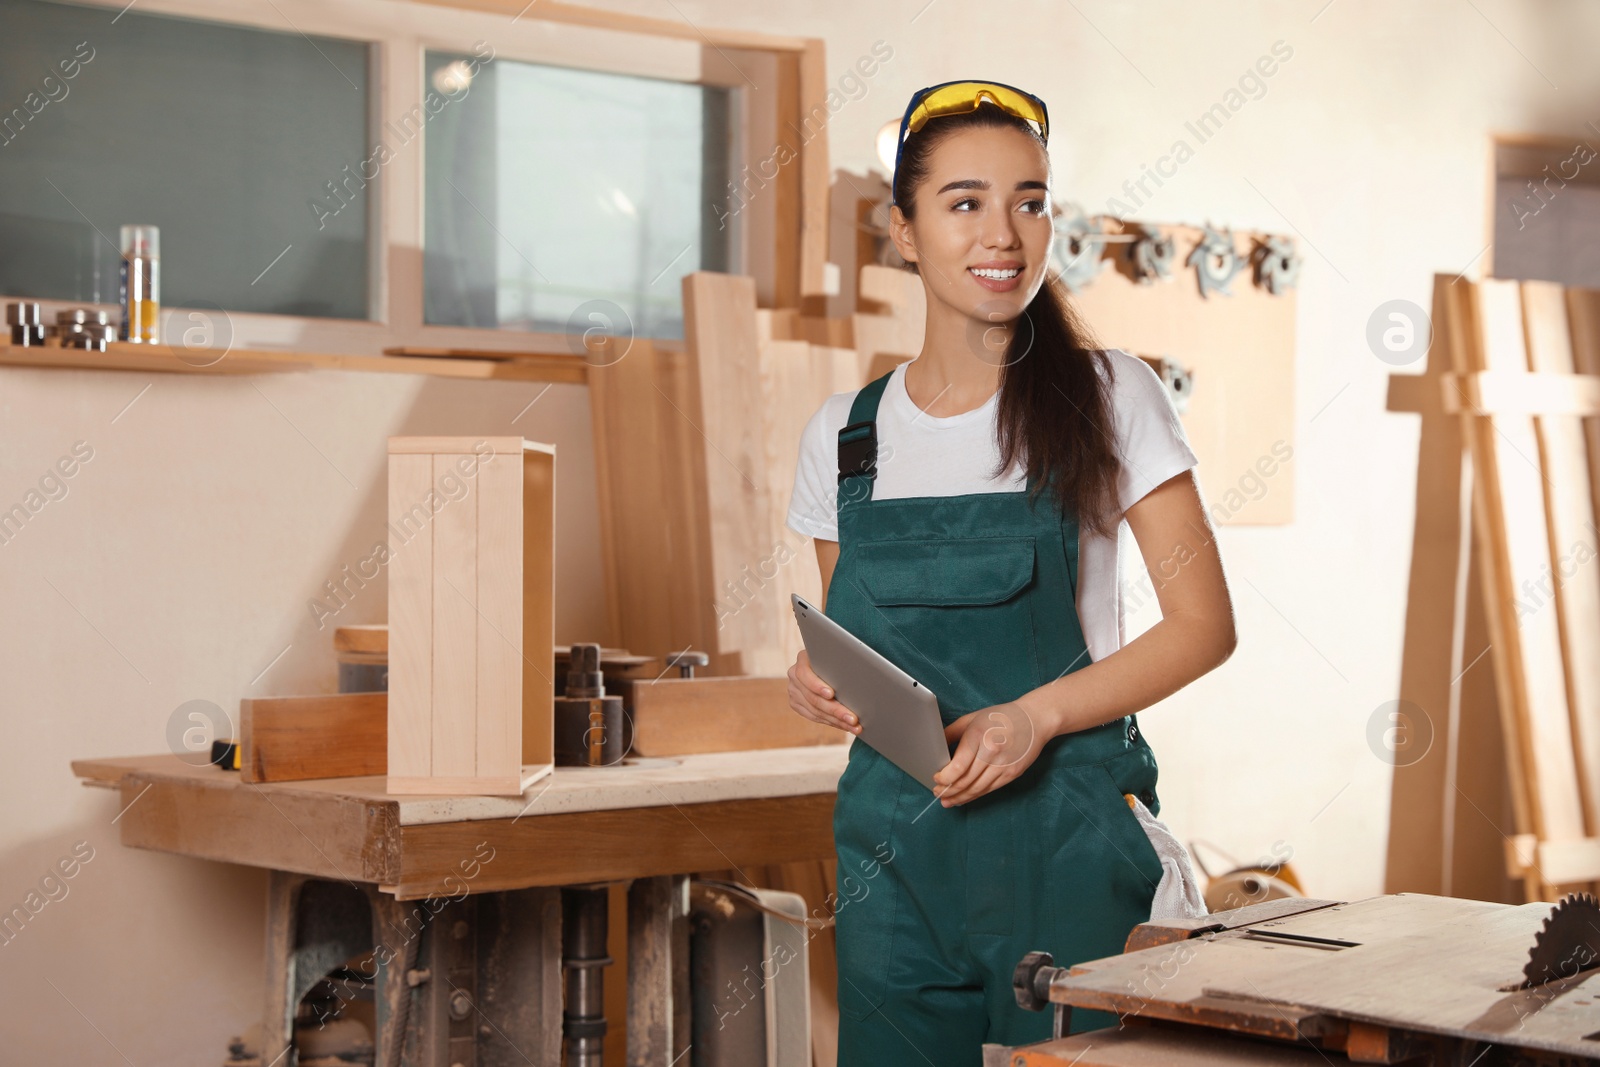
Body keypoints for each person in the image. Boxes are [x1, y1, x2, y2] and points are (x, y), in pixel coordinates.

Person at [783, 80, 1237, 1062]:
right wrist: (814, 676)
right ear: (902, 230)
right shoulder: (845, 436)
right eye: (965, 202)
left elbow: (1204, 624)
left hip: (1064, 840)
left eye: (1029, 200)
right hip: (892, 853)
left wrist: (1032, 716)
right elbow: (853, 638)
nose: (1004, 233)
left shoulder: (1112, 395)